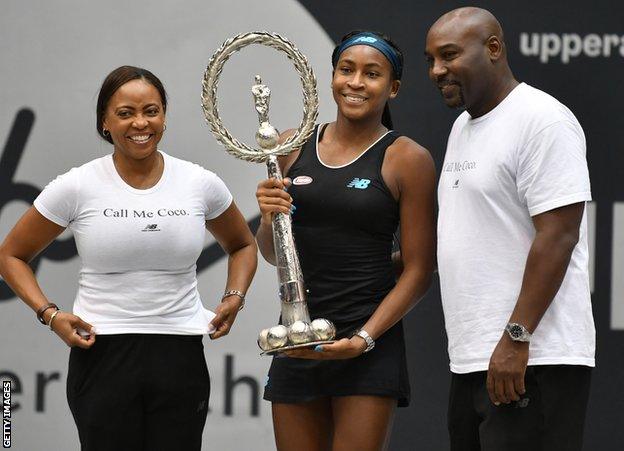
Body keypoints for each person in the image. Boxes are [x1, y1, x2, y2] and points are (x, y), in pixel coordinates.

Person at [0, 65, 257, 451]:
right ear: (105, 121)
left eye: (151, 111)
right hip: (101, 351)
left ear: (164, 117)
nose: (141, 123)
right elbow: (11, 255)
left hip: (180, 352)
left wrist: (234, 297)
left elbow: (243, 245)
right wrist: (50, 315)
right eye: (125, 113)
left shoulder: (198, 183)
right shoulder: (77, 185)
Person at [255, 31, 436, 450]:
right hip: (298, 340)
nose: (356, 82)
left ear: (392, 88)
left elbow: (419, 270)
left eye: (372, 74)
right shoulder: (289, 144)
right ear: (333, 75)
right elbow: (272, 252)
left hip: (367, 345)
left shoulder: (407, 158)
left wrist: (363, 339)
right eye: (346, 70)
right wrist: (268, 218)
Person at [425, 7, 595, 451]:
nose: (437, 70)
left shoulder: (543, 119)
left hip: (533, 359)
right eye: (431, 60)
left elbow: (559, 235)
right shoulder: (463, 127)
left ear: (494, 49)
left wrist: (516, 339)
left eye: (449, 55)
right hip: (473, 359)